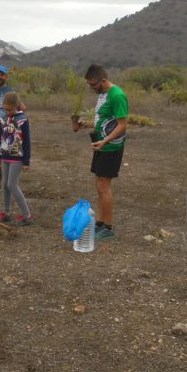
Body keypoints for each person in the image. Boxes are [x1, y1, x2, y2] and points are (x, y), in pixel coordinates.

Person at [73, 64, 128, 240]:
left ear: (103, 80)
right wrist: (85, 125)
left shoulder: (117, 95)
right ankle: (100, 222)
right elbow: (103, 120)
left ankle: (109, 227)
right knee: (99, 184)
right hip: (101, 144)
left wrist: (105, 140)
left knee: (104, 185)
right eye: (89, 85)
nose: (91, 88)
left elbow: (122, 124)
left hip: (111, 146)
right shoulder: (103, 94)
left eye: (93, 84)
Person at [0, 92, 33, 226]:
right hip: (5, 156)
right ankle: (7, 212)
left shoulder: (23, 119)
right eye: (5, 109)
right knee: (4, 184)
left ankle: (27, 216)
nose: (7, 112)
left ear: (17, 106)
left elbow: (27, 141)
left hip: (18, 157)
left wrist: (26, 161)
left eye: (10, 109)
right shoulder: (2, 118)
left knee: (12, 184)